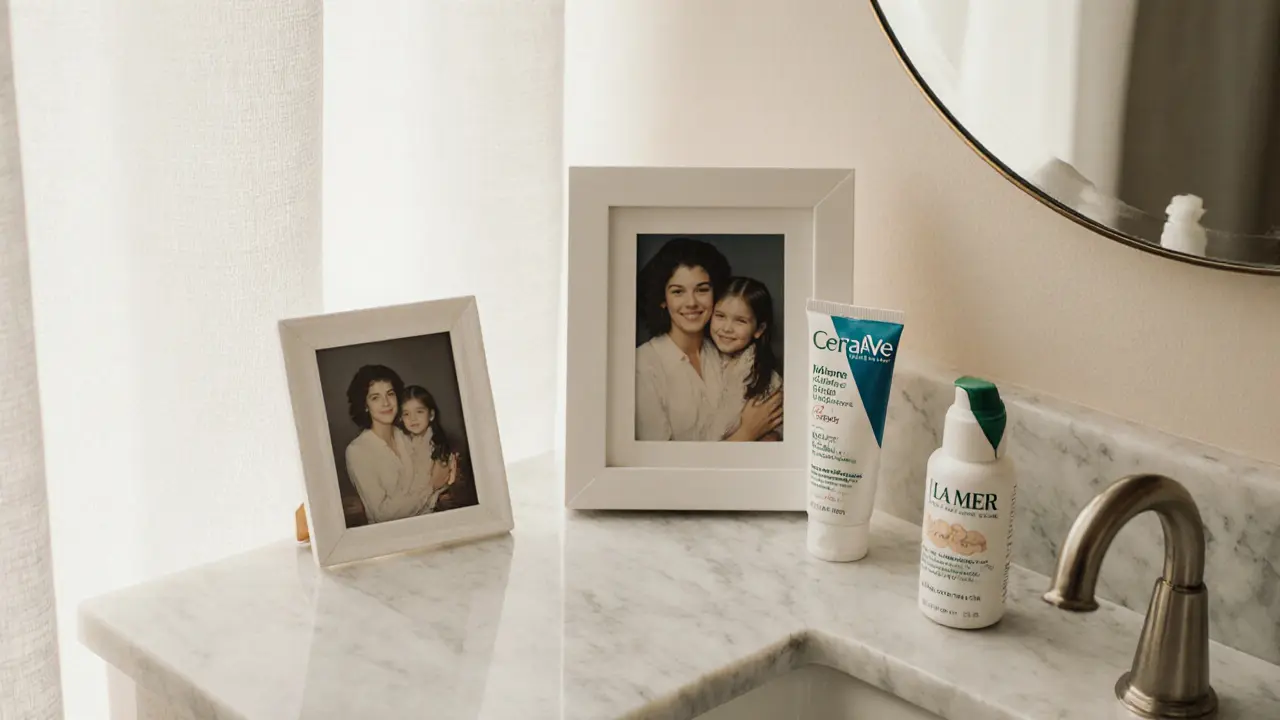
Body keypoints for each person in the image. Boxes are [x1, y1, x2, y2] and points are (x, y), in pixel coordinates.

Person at [634, 237, 781, 442]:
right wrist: (747, 433)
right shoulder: (643, 365)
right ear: (663, 300)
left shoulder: (728, 354)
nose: (691, 302)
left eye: (702, 289)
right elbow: (658, 460)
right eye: (678, 292)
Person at [343, 364, 427, 524]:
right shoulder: (357, 451)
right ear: (365, 405)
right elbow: (382, 515)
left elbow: (425, 479)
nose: (386, 403)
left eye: (390, 394)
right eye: (375, 398)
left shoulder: (407, 434)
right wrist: (431, 487)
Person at [705, 277, 783, 441]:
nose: (727, 328)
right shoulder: (700, 358)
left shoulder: (767, 381)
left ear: (759, 329)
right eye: (720, 316)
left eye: (740, 321)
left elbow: (774, 435)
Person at [399, 385, 472, 513]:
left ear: (431, 415)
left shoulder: (440, 447)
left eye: (419, 412)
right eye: (406, 414)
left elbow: (443, 487)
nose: (413, 418)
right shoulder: (402, 445)